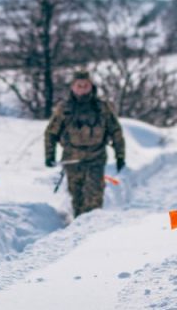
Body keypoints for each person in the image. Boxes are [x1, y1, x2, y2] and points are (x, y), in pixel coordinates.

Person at [44, 70, 126, 217]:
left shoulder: (102, 108)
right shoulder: (64, 109)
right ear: (72, 87)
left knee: (94, 198)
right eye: (79, 85)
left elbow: (116, 131)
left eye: (85, 85)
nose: (82, 89)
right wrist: (49, 155)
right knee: (77, 198)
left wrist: (120, 155)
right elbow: (51, 133)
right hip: (72, 159)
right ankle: (79, 232)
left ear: (91, 86)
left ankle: (91, 231)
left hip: (96, 158)